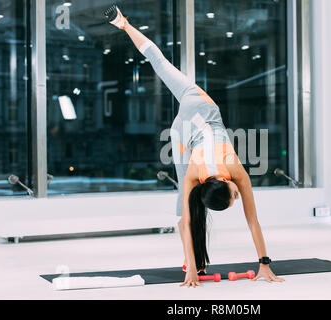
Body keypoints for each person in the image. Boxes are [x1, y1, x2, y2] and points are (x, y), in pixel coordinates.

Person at [105, 5, 284, 288]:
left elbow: (214, 221)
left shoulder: (226, 172)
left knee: (159, 61)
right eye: (236, 197)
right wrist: (263, 264)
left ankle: (123, 23)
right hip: (188, 125)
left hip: (197, 113)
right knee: (183, 206)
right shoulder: (209, 173)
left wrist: (263, 262)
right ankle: (191, 261)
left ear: (224, 183)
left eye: (232, 197)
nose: (238, 197)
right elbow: (247, 222)